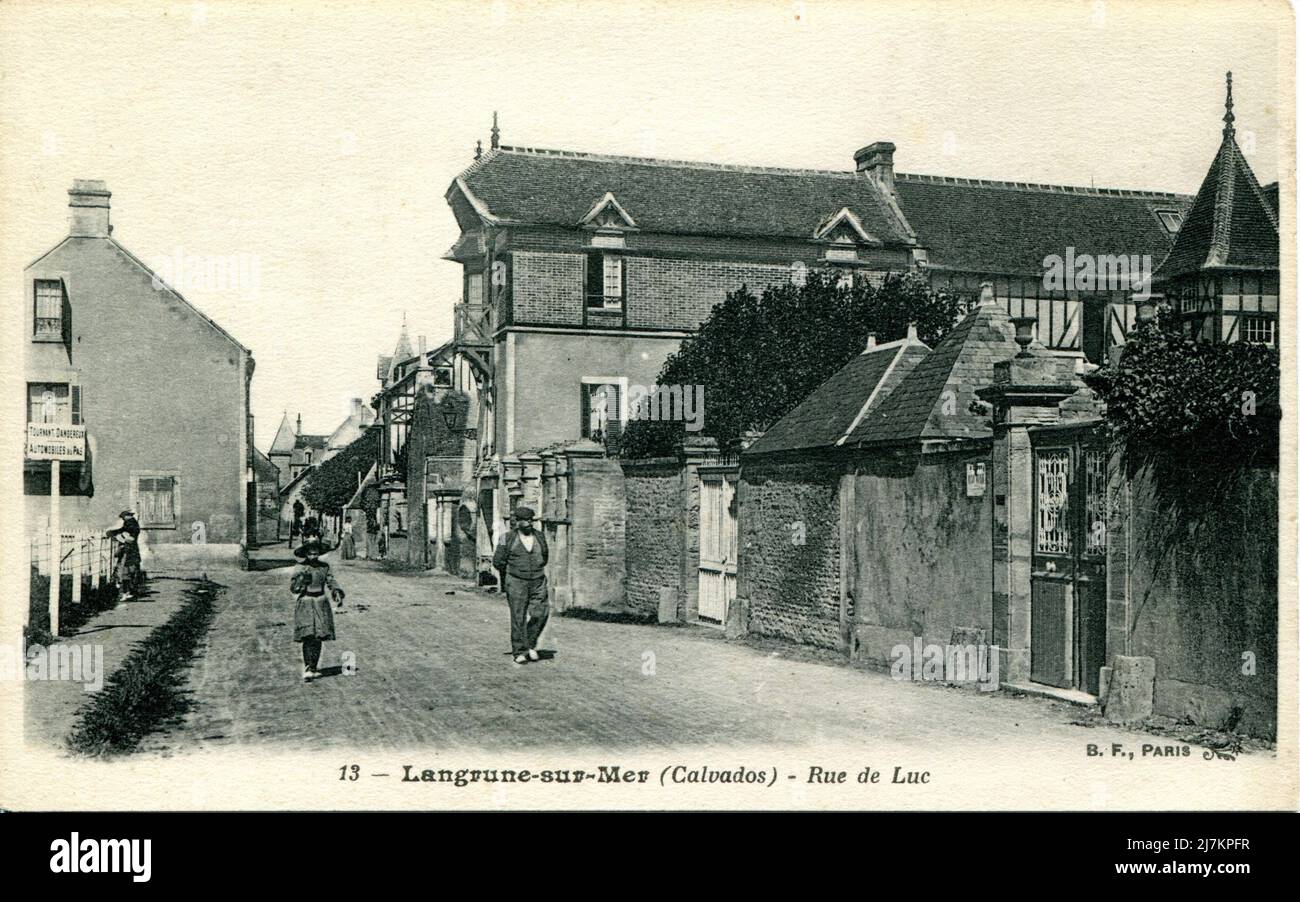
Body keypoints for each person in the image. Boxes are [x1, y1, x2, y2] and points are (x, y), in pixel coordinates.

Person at [492, 506, 549, 664]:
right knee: (518, 616)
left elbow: (545, 556)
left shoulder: (540, 536)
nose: (529, 523)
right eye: (525, 521)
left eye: (531, 520)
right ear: (517, 522)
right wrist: (512, 573)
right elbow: (498, 562)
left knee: (541, 613)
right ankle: (520, 651)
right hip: (516, 581)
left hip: (538, 580)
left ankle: (530, 643)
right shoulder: (507, 538)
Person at [289, 538, 345, 682]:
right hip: (306, 602)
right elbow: (293, 587)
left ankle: (314, 667)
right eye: (310, 553)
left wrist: (336, 591)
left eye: (315, 553)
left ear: (319, 553)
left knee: (318, 636)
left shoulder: (324, 567)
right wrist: (300, 581)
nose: (313, 556)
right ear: (306, 554)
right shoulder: (300, 567)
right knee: (308, 635)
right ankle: (307, 667)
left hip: (320, 602)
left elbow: (331, 581)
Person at [105, 510, 142, 600]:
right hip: (131, 551)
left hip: (130, 551)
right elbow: (122, 531)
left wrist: (118, 537)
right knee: (130, 572)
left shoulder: (131, 525)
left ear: (127, 516)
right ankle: (129, 592)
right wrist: (114, 533)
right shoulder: (130, 524)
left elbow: (130, 538)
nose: (123, 519)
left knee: (127, 571)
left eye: (123, 517)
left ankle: (127, 592)